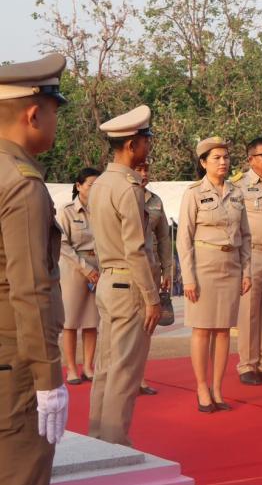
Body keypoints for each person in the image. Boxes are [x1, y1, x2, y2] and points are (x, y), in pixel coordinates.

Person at [0, 53, 69, 485]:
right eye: (54, 111)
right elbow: (29, 288)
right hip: (15, 357)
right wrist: (48, 376)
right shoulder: (21, 182)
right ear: (33, 112)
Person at [87, 105, 161, 446]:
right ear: (131, 145)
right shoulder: (128, 187)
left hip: (107, 281)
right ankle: (115, 442)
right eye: (146, 139)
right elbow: (136, 248)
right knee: (125, 371)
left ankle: (98, 438)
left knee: (105, 367)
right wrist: (152, 298)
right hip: (128, 283)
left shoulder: (101, 183)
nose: (149, 145)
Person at [177, 137, 252, 412]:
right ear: (203, 162)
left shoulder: (236, 192)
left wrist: (247, 271)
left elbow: (246, 235)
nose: (223, 162)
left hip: (230, 266)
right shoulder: (194, 193)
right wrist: (188, 277)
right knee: (202, 330)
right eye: (217, 158)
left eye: (226, 157)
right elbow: (183, 239)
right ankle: (201, 387)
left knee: (223, 331)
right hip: (204, 266)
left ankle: (218, 388)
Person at [232, 138, 262, 386]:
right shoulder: (239, 186)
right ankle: (247, 364)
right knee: (249, 311)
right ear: (250, 159)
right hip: (252, 254)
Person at [58, 167, 101, 385]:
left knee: (92, 321)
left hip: (99, 267)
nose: (94, 190)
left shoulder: (102, 210)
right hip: (74, 268)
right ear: (78, 186)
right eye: (90, 185)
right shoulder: (66, 211)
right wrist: (86, 268)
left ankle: (89, 366)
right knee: (71, 321)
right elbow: (62, 244)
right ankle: (72, 368)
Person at [134, 160, 174, 396]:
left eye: (147, 169)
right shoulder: (119, 196)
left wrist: (168, 269)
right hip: (127, 272)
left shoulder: (155, 200)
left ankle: (140, 378)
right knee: (127, 329)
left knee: (147, 327)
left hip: (152, 270)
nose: (144, 173)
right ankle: (121, 379)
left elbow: (165, 238)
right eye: (139, 169)